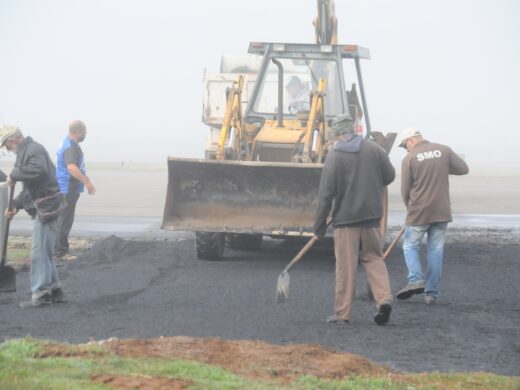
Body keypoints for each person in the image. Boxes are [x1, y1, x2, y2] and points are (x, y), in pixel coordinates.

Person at [313, 114, 395, 325]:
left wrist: (319, 225)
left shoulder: (335, 155)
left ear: (338, 134)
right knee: (374, 258)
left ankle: (342, 314)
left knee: (346, 267)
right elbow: (390, 176)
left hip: (346, 220)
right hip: (372, 218)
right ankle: (384, 299)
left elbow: (326, 193)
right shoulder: (375, 149)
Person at [395, 128, 469, 304]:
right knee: (435, 251)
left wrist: (409, 207)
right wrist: (441, 167)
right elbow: (463, 169)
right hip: (441, 211)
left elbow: (405, 189)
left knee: (409, 246)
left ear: (411, 140)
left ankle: (415, 280)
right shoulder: (444, 150)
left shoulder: (409, 159)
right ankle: (432, 294)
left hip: (419, 211)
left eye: (405, 145)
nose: (406, 149)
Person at [0, 125, 66, 307]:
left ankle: (41, 294)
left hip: (46, 207)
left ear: (12, 140)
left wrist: (14, 174)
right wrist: (14, 205)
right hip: (44, 205)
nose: (6, 149)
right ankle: (55, 290)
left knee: (38, 253)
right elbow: (28, 190)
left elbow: (39, 169)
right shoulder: (25, 152)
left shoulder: (33, 150)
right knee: (45, 251)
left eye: (5, 145)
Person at [55, 120, 96, 260]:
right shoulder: (70, 147)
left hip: (68, 187)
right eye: (85, 132)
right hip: (67, 188)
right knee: (64, 220)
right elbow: (71, 167)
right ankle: (60, 252)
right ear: (78, 132)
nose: (85, 135)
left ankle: (60, 249)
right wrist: (87, 182)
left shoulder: (67, 143)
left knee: (64, 219)